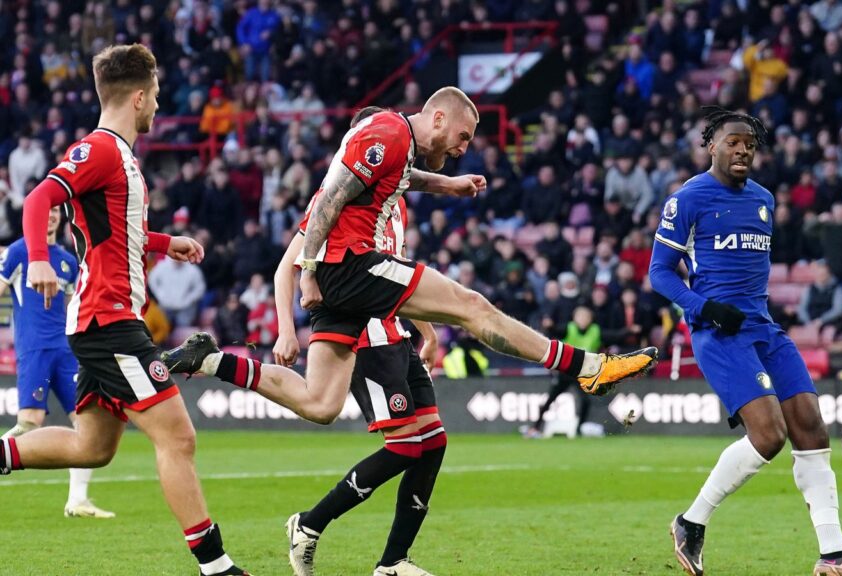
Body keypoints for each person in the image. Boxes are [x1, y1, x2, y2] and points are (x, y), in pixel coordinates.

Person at [163, 88, 656, 426]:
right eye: (462, 137)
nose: (464, 148)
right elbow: (330, 198)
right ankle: (586, 367)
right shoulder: (390, 132)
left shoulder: (394, 147)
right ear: (437, 117)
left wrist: (446, 183)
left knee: (320, 403)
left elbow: (392, 180)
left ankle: (212, 361)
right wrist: (309, 271)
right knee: (473, 307)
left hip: (342, 281)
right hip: (352, 264)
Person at [0, 44, 249, 576]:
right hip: (108, 319)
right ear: (138, 97)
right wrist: (39, 260)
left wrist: (162, 242)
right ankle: (217, 567)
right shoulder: (102, 150)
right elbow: (39, 199)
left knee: (93, 447)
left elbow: (110, 231)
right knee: (178, 436)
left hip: (102, 319)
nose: (157, 105)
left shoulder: (120, 158)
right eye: (155, 95)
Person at [649, 106, 842, 576]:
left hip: (763, 327)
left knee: (811, 426)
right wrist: (704, 308)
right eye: (733, 142)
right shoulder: (687, 199)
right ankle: (691, 521)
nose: (743, 150)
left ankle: (832, 553)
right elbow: (659, 274)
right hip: (718, 331)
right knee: (769, 435)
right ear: (711, 144)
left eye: (750, 145)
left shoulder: (763, 200)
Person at [274, 106, 446, 576]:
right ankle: (309, 525)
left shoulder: (394, 199)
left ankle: (393, 563)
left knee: (433, 442)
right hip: (364, 331)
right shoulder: (334, 201)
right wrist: (287, 329)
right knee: (406, 445)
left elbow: (398, 273)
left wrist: (426, 330)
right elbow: (285, 266)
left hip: (397, 332)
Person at [0, 206, 114, 519]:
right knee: (29, 423)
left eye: (54, 211)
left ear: (61, 218)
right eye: (43, 210)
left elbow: (72, 306)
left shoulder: (66, 260)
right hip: (34, 348)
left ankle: (77, 501)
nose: (49, 215)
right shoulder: (19, 251)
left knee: (86, 424)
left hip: (65, 351)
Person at [522, 305, 601, 439]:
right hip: (565, 372)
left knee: (585, 401)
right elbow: (556, 331)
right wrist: (550, 326)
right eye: (580, 317)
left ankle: (579, 429)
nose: (582, 320)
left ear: (590, 319)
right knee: (550, 400)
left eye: (585, 317)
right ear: (574, 318)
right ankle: (535, 427)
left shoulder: (595, 331)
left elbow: (612, 336)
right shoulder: (568, 329)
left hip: (581, 374)